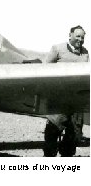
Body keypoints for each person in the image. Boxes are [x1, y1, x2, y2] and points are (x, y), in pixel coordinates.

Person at [43, 25, 89, 157]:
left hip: (76, 102)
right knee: (52, 133)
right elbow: (46, 69)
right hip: (59, 99)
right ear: (70, 36)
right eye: (77, 36)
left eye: (83, 37)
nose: (80, 39)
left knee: (72, 137)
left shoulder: (85, 53)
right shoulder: (57, 49)